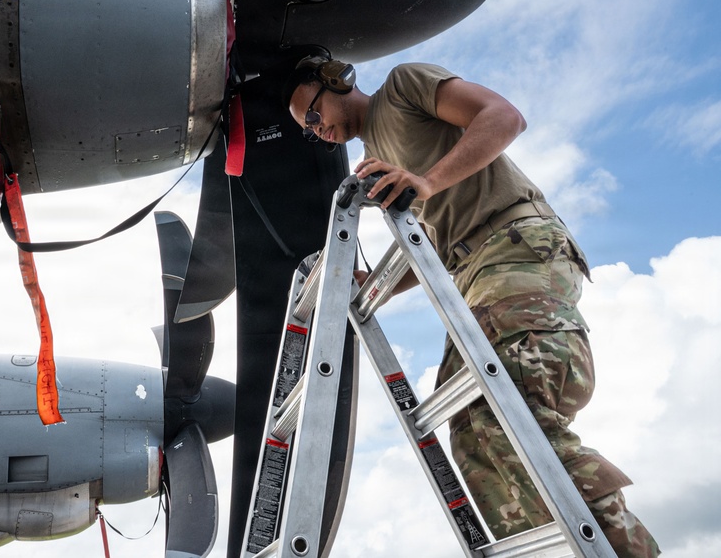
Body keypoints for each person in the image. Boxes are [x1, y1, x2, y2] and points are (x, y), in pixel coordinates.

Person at [283, 56, 660, 557]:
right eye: (308, 131)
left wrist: (428, 182)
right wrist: (377, 284)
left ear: (335, 80)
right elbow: (438, 246)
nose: (318, 131)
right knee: (470, 431)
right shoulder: (378, 154)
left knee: (514, 409)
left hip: (515, 244)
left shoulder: (403, 86)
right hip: (472, 273)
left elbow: (504, 116)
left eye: (313, 115)